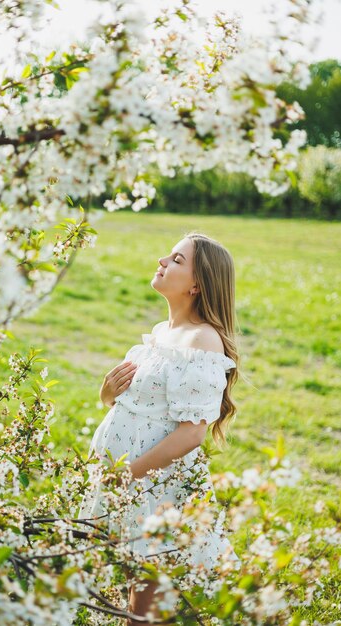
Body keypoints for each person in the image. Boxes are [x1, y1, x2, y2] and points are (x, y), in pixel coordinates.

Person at [77, 232, 240, 625]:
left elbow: (191, 432)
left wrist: (127, 475)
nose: (163, 260)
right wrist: (107, 396)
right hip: (130, 479)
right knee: (136, 585)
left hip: (154, 484)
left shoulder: (202, 340)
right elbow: (146, 408)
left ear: (197, 285)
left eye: (178, 260)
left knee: (147, 602)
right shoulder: (161, 334)